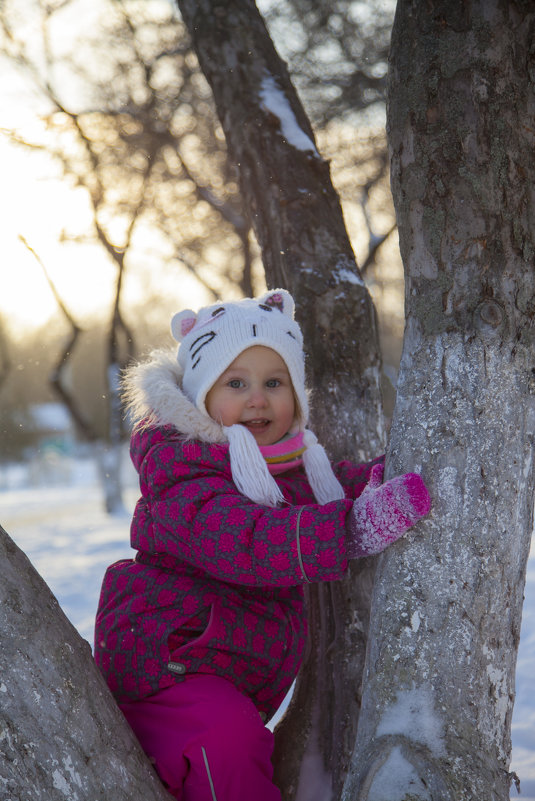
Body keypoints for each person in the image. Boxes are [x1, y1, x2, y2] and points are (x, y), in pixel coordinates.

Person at [94, 288, 431, 801]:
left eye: (275, 382)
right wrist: (351, 528)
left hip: (216, 672)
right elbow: (246, 540)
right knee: (226, 746)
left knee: (235, 743)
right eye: (236, 383)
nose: (258, 398)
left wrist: (373, 481)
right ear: (199, 396)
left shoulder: (282, 464)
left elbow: (324, 487)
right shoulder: (182, 470)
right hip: (167, 670)